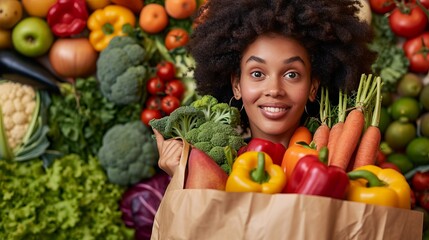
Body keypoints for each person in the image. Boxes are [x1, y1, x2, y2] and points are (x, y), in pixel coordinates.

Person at [153, 0, 377, 176]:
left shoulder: (348, 166)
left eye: (292, 74)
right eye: (257, 73)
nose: (275, 89)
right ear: (236, 85)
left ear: (312, 87)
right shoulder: (211, 165)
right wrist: (181, 176)